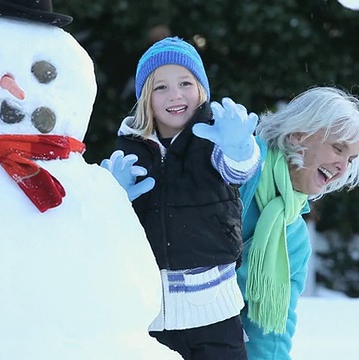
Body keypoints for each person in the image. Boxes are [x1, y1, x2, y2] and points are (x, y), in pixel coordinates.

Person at [100, 36, 260, 360]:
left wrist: (240, 148)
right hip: (150, 316)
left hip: (215, 314)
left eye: (185, 83)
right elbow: (111, 229)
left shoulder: (215, 142)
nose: (175, 95)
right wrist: (112, 198)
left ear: (201, 89)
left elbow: (237, 170)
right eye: (161, 87)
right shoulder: (130, 149)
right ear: (146, 96)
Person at [235, 86, 359, 359]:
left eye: (351, 159)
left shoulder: (295, 237)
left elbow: (269, 332)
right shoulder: (239, 169)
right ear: (299, 134)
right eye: (338, 148)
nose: (342, 167)